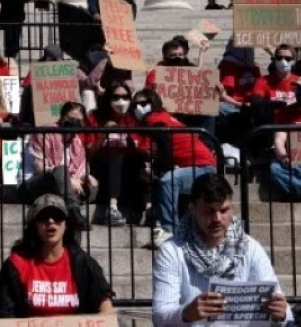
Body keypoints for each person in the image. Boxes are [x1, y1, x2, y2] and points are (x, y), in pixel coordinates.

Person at [151, 173, 289, 326]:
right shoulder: (172, 251)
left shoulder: (250, 248)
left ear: (232, 208)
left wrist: (280, 313)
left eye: (223, 210)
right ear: (192, 208)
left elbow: (284, 311)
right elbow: (159, 316)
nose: (217, 218)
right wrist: (186, 313)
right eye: (209, 211)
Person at [0, 194, 113, 323]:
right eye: (43, 217)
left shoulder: (83, 263)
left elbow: (105, 307)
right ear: (33, 225)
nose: (51, 221)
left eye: (57, 216)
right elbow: (5, 315)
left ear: (66, 224)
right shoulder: (16, 265)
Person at [131, 90, 218, 248]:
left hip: (202, 167)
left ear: (153, 103)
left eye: (143, 103)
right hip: (196, 166)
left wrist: (166, 166)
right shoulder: (165, 117)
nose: (138, 107)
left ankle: (169, 230)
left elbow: (164, 140)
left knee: (168, 181)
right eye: (135, 104)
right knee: (166, 178)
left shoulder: (154, 118)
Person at [21, 102, 95, 231]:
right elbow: (40, 169)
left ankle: (65, 202)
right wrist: (69, 180)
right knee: (61, 171)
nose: (74, 123)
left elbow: (82, 173)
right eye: (71, 119)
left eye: (78, 121)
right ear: (62, 117)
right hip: (35, 183)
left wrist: (84, 180)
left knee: (93, 186)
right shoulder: (46, 132)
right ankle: (73, 210)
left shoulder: (77, 142)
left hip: (61, 187)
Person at [87, 79, 146, 226]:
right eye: (116, 97)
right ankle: (112, 208)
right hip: (102, 168)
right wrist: (103, 134)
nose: (121, 101)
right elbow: (89, 154)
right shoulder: (95, 117)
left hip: (127, 170)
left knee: (141, 165)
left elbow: (142, 147)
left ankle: (148, 209)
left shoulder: (133, 118)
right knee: (116, 154)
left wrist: (132, 140)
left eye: (125, 97)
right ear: (108, 99)